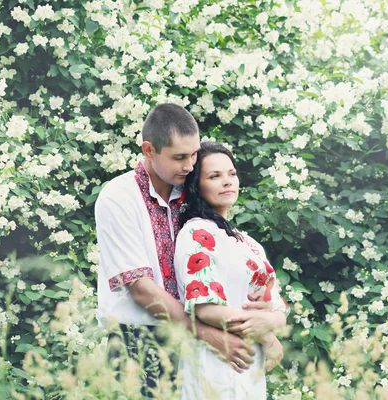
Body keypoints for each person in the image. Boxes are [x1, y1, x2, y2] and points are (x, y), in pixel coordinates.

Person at [95, 104, 263, 396]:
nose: (189, 165)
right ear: (149, 150)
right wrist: (210, 335)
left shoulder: (191, 192)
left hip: (191, 342)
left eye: (194, 154)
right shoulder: (118, 197)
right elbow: (142, 290)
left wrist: (265, 322)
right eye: (179, 157)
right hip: (137, 341)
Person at [174, 142, 289, 399]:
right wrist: (267, 338)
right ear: (197, 186)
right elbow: (204, 307)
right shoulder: (196, 233)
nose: (227, 182)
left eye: (231, 174)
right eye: (215, 176)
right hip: (214, 360)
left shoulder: (247, 242)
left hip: (250, 365)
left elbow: (278, 306)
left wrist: (270, 323)